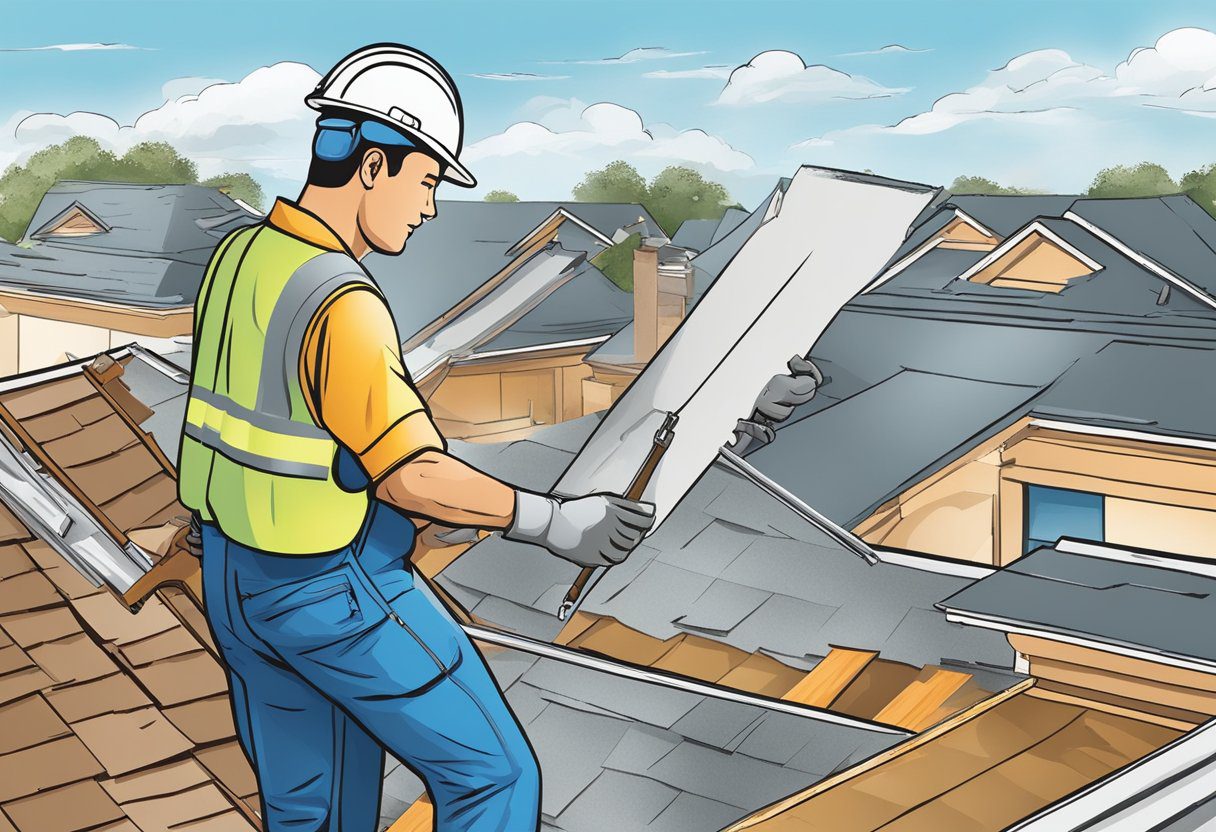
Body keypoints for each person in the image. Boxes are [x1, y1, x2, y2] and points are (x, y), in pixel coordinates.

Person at [177, 42, 655, 832]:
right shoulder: (343, 301)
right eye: (425, 180)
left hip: (235, 577)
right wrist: (555, 521)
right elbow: (412, 476)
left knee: (314, 813)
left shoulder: (239, 255)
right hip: (329, 588)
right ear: (372, 166)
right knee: (493, 778)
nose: (429, 207)